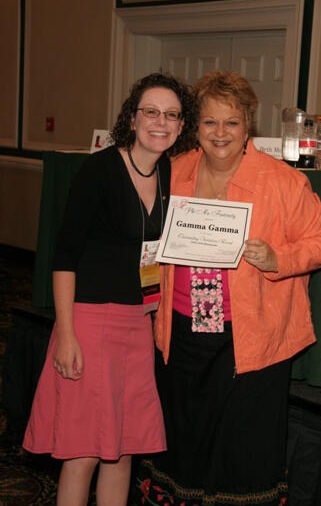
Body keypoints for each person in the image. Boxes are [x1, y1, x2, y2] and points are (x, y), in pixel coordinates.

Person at [133, 70, 321, 506]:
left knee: (243, 449)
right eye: (210, 122)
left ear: (248, 124)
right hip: (182, 330)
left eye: (231, 122)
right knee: (183, 440)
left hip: (250, 340)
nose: (220, 133)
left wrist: (279, 260)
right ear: (197, 127)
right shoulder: (175, 171)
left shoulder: (281, 181)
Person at [23, 72, 198, 506]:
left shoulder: (170, 174)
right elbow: (64, 258)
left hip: (137, 327)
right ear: (133, 118)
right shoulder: (99, 170)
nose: (161, 122)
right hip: (90, 323)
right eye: (151, 112)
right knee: (82, 452)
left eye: (172, 115)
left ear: (181, 125)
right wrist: (66, 336)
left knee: (122, 450)